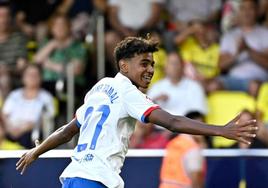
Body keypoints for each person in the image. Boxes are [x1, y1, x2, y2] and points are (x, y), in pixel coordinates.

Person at [16, 36, 258, 188]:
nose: (151, 69)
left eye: (152, 64)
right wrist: (221, 130)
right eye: (144, 63)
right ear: (124, 65)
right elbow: (172, 121)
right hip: (94, 179)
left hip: (76, 177)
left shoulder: (99, 87)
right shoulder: (128, 92)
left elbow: (67, 131)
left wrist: (36, 151)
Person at [2, 64, 55, 148]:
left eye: (35, 75)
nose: (32, 78)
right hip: (10, 132)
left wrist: (25, 128)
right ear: (23, 77)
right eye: (29, 75)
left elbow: (47, 120)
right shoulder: (14, 95)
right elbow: (4, 115)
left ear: (40, 78)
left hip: (32, 135)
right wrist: (10, 129)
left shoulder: (46, 97)